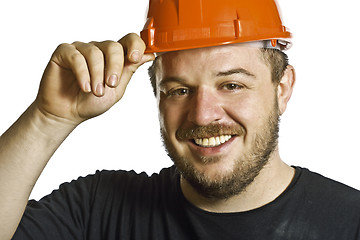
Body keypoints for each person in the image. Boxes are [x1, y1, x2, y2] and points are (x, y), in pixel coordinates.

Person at [1, 0, 360, 239]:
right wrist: (48, 118)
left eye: (232, 84)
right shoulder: (98, 209)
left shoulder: (350, 222)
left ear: (282, 88)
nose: (203, 114)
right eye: (179, 90)